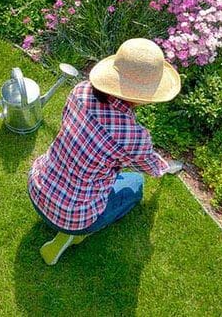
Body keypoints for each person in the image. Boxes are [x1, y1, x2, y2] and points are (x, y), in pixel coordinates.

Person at [28, 38, 184, 266]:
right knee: (135, 185)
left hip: (37, 187)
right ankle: (74, 236)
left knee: (109, 174)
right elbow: (150, 167)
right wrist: (165, 167)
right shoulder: (133, 136)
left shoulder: (80, 91)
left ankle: (70, 225)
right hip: (71, 215)